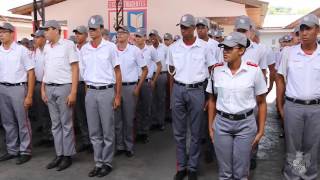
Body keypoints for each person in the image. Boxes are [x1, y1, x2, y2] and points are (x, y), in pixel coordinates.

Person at [207, 31, 267, 180]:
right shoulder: (217, 70)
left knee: (241, 173)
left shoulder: (254, 71)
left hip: (246, 125)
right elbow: (212, 100)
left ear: (241, 50)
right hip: (222, 124)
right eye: (223, 48)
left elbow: (262, 102)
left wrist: (261, 130)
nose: (225, 52)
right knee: (224, 172)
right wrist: (210, 126)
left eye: (229, 48)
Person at [167, 14, 215, 180]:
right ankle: (181, 167)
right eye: (181, 26)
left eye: (186, 27)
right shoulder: (173, 48)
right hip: (179, 90)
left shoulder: (205, 47)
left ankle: (193, 167)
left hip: (197, 91)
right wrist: (172, 95)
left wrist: (209, 97)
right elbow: (171, 73)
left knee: (196, 132)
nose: (183, 30)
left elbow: (211, 72)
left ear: (194, 28)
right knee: (179, 132)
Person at [277, 14, 320, 180]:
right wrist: (280, 106)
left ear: (317, 30)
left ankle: (309, 176)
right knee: (293, 148)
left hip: (316, 108)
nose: (304, 33)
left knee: (312, 147)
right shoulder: (289, 53)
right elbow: (280, 78)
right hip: (293, 106)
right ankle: (294, 176)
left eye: (308, 28)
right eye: (302, 29)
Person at [79, 15, 122, 177]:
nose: (91, 32)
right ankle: (98, 163)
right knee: (94, 131)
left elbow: (118, 73)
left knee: (107, 130)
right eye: (89, 29)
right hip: (90, 91)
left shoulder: (110, 47)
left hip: (106, 92)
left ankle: (107, 163)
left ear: (101, 29)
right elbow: (83, 73)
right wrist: (87, 92)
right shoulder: (84, 49)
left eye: (94, 29)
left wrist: (117, 96)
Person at [41, 20, 79, 171]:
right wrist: (43, 89)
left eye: (47, 30)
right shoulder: (46, 48)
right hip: (50, 88)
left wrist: (73, 91)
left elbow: (75, 68)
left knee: (66, 124)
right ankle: (59, 154)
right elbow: (46, 69)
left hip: (64, 88)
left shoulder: (68, 45)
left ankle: (67, 156)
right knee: (55, 124)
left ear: (56, 30)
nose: (44, 33)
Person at [0, 22, 35, 165]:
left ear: (12, 33)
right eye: (0, 32)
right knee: (7, 122)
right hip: (3, 88)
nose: (1, 34)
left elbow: (31, 73)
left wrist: (29, 95)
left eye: (4, 32)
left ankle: (25, 150)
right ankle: (12, 149)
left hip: (18, 89)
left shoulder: (21, 50)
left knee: (22, 121)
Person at [114, 25, 148, 157]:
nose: (120, 35)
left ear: (129, 36)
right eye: (118, 33)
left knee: (128, 119)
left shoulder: (134, 51)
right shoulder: (112, 50)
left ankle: (128, 146)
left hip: (129, 87)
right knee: (117, 119)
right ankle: (119, 146)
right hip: (115, 87)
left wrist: (138, 87)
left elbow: (145, 69)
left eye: (123, 33)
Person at [134, 27, 161, 143]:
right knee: (135, 109)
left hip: (146, 82)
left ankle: (144, 132)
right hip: (134, 82)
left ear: (144, 38)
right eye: (136, 36)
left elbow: (159, 65)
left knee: (146, 107)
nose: (137, 39)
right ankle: (137, 131)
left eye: (139, 36)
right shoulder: (132, 50)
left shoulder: (150, 50)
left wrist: (154, 80)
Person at [31, 30, 53, 147]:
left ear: (44, 38)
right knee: (41, 112)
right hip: (38, 84)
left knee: (51, 112)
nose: (35, 39)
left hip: (48, 85)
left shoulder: (48, 50)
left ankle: (53, 136)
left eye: (37, 37)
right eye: (34, 37)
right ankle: (46, 136)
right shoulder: (36, 52)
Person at [73, 25, 91, 153]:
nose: (77, 35)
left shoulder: (90, 49)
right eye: (76, 33)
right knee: (80, 115)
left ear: (86, 35)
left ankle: (93, 141)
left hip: (87, 85)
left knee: (90, 115)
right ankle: (86, 141)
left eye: (79, 33)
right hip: (75, 84)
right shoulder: (73, 49)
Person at [149, 29, 168, 131]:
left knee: (161, 99)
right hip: (151, 76)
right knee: (152, 100)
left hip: (161, 75)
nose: (152, 38)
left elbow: (169, 64)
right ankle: (153, 121)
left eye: (154, 36)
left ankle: (160, 122)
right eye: (151, 36)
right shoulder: (149, 49)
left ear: (158, 37)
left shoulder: (165, 48)